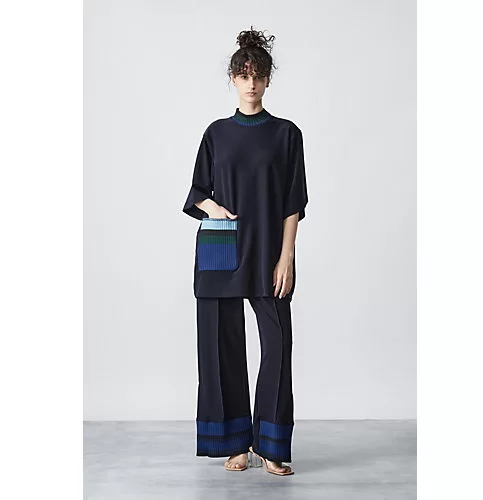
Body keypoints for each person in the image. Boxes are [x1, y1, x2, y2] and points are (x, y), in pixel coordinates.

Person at [182, 26, 308, 476]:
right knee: (221, 348)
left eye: (258, 75)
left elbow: (293, 201)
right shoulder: (216, 133)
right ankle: (235, 443)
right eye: (243, 75)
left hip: (268, 250)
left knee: (277, 346)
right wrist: (213, 206)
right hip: (221, 245)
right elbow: (197, 191)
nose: (251, 83)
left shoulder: (286, 134)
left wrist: (286, 256)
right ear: (233, 79)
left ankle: (270, 445)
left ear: (268, 80)